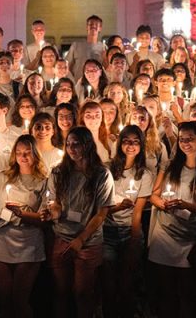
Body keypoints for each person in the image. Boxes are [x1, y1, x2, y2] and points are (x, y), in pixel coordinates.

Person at [147, 121, 196, 318]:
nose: (185, 143)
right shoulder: (172, 167)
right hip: (164, 233)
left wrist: (185, 205)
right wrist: (163, 204)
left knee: (186, 291)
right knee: (166, 290)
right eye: (182, 139)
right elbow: (153, 195)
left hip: (189, 236)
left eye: (190, 139)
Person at [45, 127, 115, 318]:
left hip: (88, 241)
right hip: (61, 236)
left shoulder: (101, 174)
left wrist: (81, 240)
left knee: (83, 293)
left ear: (87, 145)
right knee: (61, 291)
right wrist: (52, 214)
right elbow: (56, 204)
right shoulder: (59, 172)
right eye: (68, 144)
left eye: (76, 143)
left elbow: (101, 214)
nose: (71, 148)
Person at [0, 135, 49, 318]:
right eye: (19, 152)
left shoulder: (44, 180)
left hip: (28, 239)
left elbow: (44, 217)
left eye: (27, 152)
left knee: (20, 299)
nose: (23, 156)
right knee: (5, 300)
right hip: (1, 238)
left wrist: (23, 214)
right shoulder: (3, 177)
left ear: (35, 154)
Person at [102, 125, 153, 318]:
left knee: (127, 283)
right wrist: (118, 207)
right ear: (119, 143)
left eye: (135, 141)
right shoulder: (106, 169)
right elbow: (102, 207)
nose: (130, 145)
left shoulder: (145, 174)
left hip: (130, 231)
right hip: (107, 231)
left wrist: (134, 239)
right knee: (108, 283)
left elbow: (138, 211)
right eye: (126, 140)